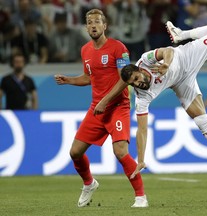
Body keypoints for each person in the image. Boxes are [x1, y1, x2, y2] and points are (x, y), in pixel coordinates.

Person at [95, 21, 207, 186]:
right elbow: (142, 130)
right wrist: (141, 159)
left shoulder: (146, 61)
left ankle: (183, 35)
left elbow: (167, 51)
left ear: (140, 71)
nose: (138, 84)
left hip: (186, 56)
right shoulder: (142, 97)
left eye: (137, 79)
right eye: (133, 84)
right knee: (202, 121)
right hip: (181, 82)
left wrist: (165, 64)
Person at [54, 9, 148, 208]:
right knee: (75, 152)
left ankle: (141, 196)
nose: (93, 25)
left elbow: (126, 78)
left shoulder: (118, 48)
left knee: (120, 151)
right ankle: (89, 183)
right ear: (86, 27)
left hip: (117, 107)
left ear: (105, 26)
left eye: (97, 21)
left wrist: (105, 101)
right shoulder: (85, 50)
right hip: (97, 109)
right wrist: (69, 80)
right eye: (89, 22)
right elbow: (89, 77)